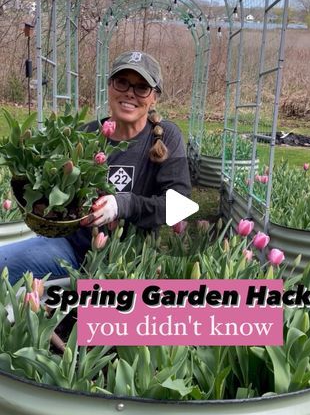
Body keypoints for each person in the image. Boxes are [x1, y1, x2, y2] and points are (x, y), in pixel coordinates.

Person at [0, 51, 192, 284]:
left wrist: (123, 204)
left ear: (154, 97)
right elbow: (60, 196)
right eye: (122, 82)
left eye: (142, 87)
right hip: (71, 247)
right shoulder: (87, 134)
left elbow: (180, 206)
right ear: (110, 86)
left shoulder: (165, 136)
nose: (130, 93)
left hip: (126, 260)